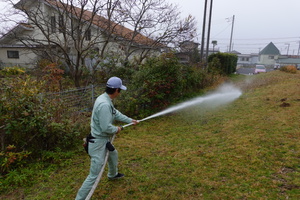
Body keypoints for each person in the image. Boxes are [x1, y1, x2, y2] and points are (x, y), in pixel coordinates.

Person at [75, 76, 139, 200]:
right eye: (120, 90)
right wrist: (117, 129)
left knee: (113, 154)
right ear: (116, 90)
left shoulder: (105, 98)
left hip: (102, 139)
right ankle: (79, 198)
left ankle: (112, 175)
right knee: (93, 175)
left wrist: (130, 120)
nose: (120, 92)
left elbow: (115, 113)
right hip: (98, 143)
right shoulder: (104, 104)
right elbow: (106, 128)